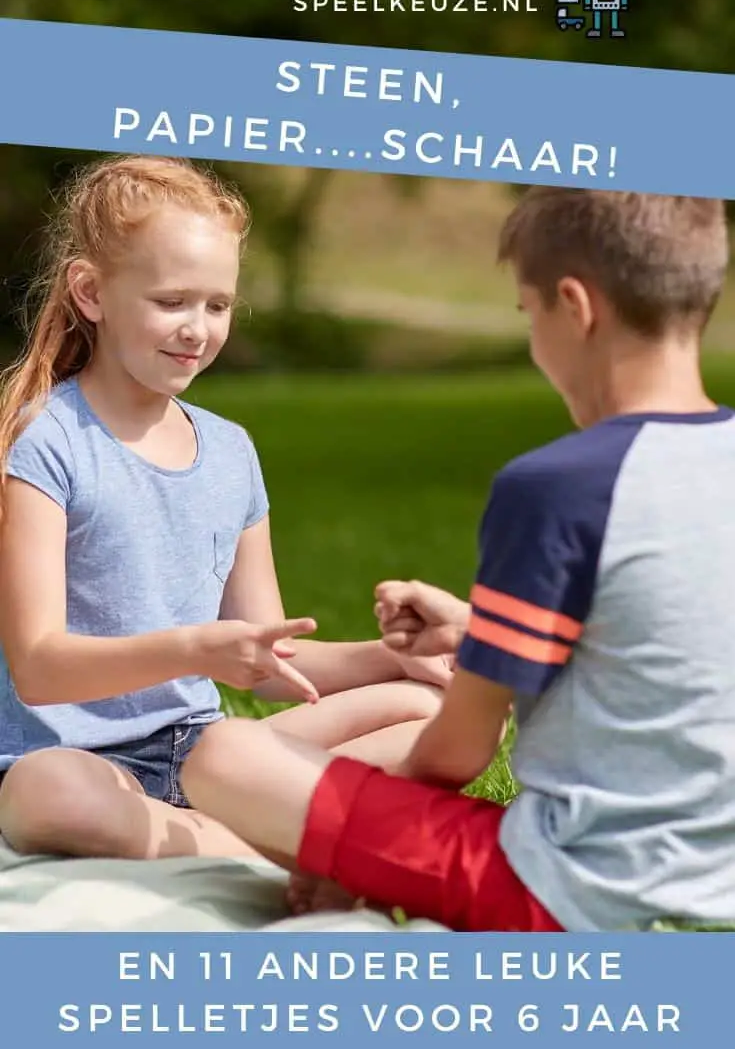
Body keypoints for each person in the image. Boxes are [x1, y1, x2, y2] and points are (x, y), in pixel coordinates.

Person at [180, 188, 735, 932]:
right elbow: (672, 633)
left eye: (528, 315)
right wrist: (483, 634)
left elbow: (455, 754)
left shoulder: (558, 488)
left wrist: (329, 841)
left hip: (562, 896)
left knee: (222, 756)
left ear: (574, 307)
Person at [0, 154, 450, 861]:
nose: (197, 329)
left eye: (218, 305)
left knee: (422, 710)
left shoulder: (231, 451)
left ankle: (220, 831)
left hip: (204, 756)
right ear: (91, 292)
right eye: (171, 302)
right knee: (44, 793)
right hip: (80, 761)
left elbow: (268, 662)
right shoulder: (43, 441)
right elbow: (39, 666)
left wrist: (394, 659)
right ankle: (248, 843)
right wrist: (192, 649)